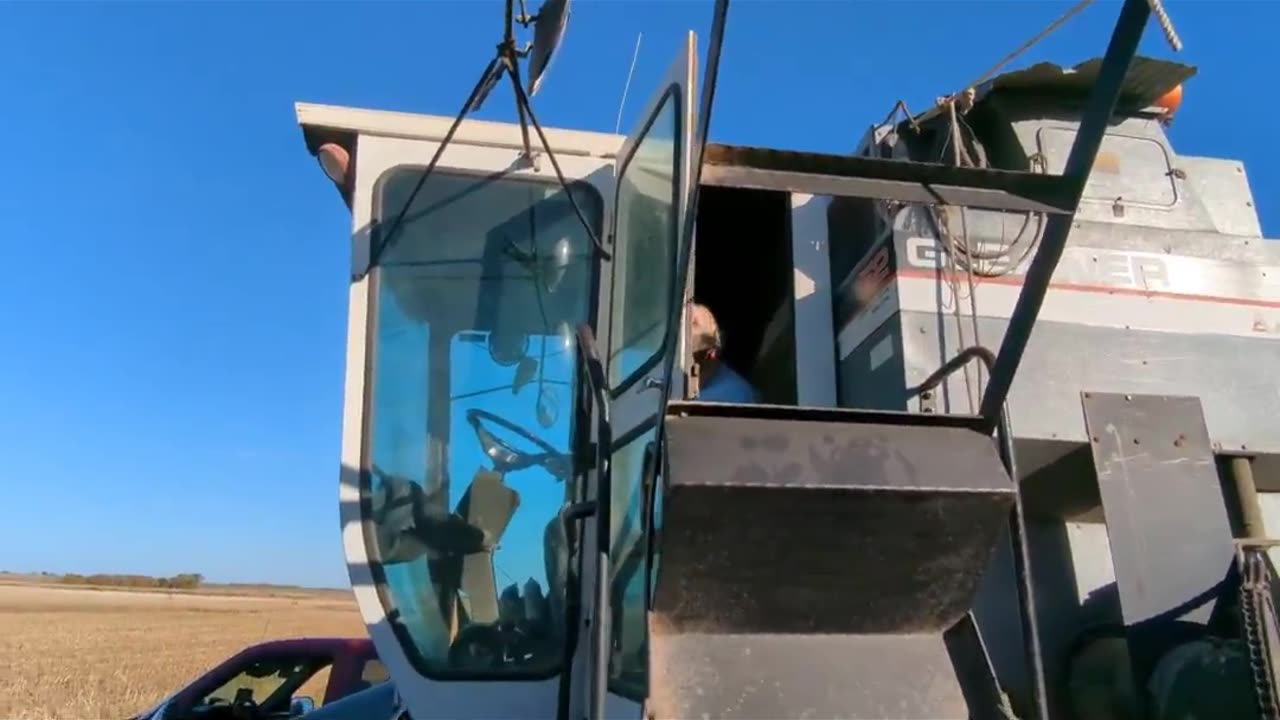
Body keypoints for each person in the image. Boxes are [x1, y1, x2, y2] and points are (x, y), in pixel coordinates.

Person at [688, 302, 759, 403]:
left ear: (713, 349)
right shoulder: (665, 374)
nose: (683, 328)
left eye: (694, 323)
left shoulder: (735, 395)